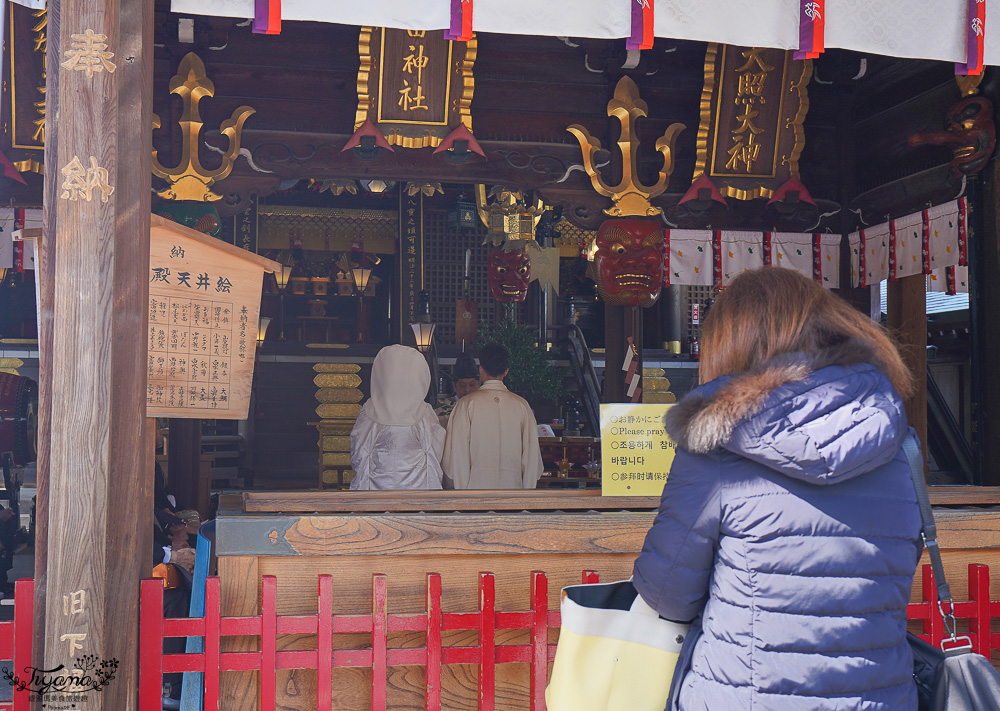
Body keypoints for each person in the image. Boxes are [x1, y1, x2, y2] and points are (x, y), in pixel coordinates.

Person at [632, 267, 922, 711]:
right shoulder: (899, 444)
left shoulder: (716, 445)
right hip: (880, 697)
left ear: (730, 345)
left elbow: (667, 592)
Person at [442, 343, 543, 489]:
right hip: (513, 490)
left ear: (481, 370)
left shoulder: (466, 404)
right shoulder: (522, 406)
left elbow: (457, 455)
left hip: (475, 491)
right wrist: (526, 493)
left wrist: (463, 493)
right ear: (506, 371)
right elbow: (531, 457)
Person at [350, 344, 446, 490]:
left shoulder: (369, 410)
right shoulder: (424, 412)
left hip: (375, 489)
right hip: (418, 489)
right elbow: (436, 449)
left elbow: (358, 452)